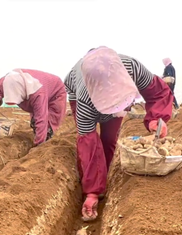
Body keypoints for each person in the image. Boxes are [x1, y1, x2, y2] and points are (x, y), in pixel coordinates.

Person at [65, 46, 173, 221]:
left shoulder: (133, 68)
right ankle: (91, 184)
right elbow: (88, 143)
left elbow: (158, 92)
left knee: (108, 139)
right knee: (90, 144)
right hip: (80, 95)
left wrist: (156, 118)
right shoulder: (84, 99)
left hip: (112, 93)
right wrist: (92, 193)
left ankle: (103, 177)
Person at [0, 70, 66, 146]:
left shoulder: (38, 94)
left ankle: (44, 141)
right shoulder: (9, 80)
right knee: (34, 123)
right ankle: (39, 138)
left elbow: (41, 119)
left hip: (56, 93)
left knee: (47, 126)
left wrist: (39, 146)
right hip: (38, 92)